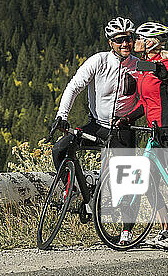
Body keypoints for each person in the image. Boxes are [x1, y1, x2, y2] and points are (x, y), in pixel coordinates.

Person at [52, 16, 140, 244]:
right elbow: (74, 86)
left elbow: (149, 97)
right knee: (61, 148)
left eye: (129, 39)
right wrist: (62, 116)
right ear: (110, 41)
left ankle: (126, 231)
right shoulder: (99, 61)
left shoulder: (138, 65)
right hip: (97, 124)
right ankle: (72, 190)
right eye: (120, 39)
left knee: (127, 181)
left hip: (123, 127)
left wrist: (132, 117)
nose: (125, 44)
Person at [117, 21, 168, 251]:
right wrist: (127, 118)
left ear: (150, 42)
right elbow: (144, 102)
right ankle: (166, 229)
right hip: (154, 130)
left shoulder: (166, 64)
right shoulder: (144, 67)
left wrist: (152, 68)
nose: (134, 42)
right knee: (148, 182)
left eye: (138, 38)